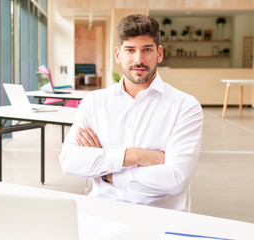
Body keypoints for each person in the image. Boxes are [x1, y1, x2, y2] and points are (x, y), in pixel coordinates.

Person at [59, 14, 203, 211]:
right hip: (101, 212)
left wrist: (106, 173)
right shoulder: (94, 103)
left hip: (159, 218)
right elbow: (69, 161)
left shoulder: (185, 106)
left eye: (147, 50)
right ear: (118, 55)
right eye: (130, 50)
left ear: (159, 53)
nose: (139, 59)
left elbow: (175, 179)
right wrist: (134, 155)